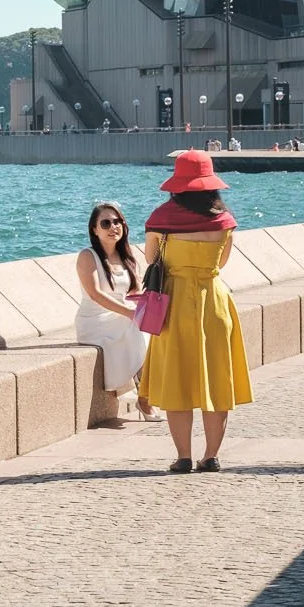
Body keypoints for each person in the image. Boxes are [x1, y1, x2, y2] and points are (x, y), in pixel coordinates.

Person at [138, 151, 252, 473]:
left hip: (173, 302)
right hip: (214, 302)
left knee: (177, 379)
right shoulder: (224, 221)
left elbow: (150, 259)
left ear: (178, 185)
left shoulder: (160, 219)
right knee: (215, 379)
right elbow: (222, 263)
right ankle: (211, 455)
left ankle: (183, 456)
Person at [74, 202, 156, 419]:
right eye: (106, 223)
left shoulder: (127, 256)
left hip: (122, 315)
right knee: (136, 326)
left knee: (153, 329)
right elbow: (95, 294)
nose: (113, 226)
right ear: (94, 229)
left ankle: (149, 392)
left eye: (117, 221)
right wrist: (130, 313)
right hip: (95, 319)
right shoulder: (87, 256)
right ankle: (145, 399)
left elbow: (135, 293)